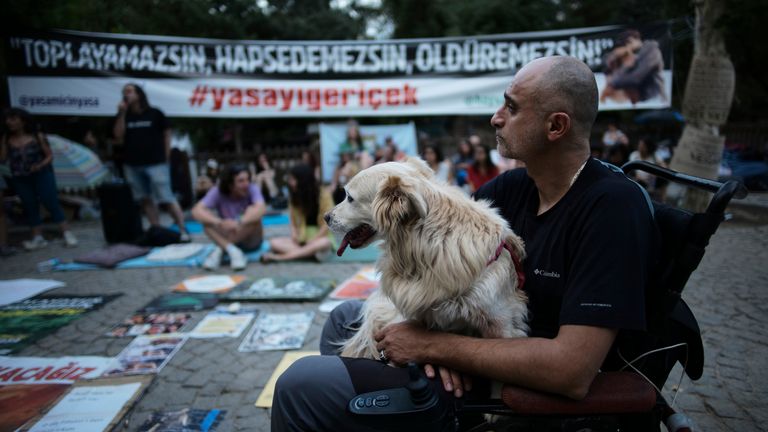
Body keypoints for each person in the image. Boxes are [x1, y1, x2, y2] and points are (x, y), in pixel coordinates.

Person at [271, 56, 658, 432]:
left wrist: (433, 346)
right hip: (470, 354)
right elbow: (431, 241)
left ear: (555, 126)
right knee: (343, 318)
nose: (496, 117)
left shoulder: (611, 210)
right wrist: (437, 339)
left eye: (511, 106)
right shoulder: (514, 188)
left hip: (512, 390)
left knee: (299, 384)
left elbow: (570, 371)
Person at [113, 83, 190, 242]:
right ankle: (156, 230)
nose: (126, 94)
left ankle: (183, 229)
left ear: (139, 94)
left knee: (167, 197)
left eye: (129, 91)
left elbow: (167, 134)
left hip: (156, 163)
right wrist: (121, 113)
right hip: (132, 164)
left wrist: (166, 157)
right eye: (124, 92)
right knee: (145, 199)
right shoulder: (125, 115)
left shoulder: (155, 113)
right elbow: (118, 136)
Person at [0, 108, 77, 250]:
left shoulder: (37, 136)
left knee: (50, 200)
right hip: (20, 176)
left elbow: (49, 156)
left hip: (41, 173)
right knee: (29, 204)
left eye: (13, 119)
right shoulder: (7, 138)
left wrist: (39, 165)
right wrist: (4, 142)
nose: (9, 122)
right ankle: (37, 237)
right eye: (7, 119)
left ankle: (67, 232)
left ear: (22, 120)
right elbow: (3, 159)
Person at [191, 163, 266, 270]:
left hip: (250, 241)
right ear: (230, 184)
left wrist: (240, 222)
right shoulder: (217, 191)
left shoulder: (252, 188)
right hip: (227, 232)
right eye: (241, 181)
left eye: (248, 179)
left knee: (253, 214)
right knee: (206, 219)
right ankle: (233, 250)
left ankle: (221, 248)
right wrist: (218, 222)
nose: (246, 184)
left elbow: (261, 209)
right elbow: (196, 211)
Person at [261, 163, 334, 262]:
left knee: (324, 243)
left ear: (303, 180)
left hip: (320, 238)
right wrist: (294, 233)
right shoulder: (295, 197)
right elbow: (292, 221)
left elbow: (327, 224)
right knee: (274, 242)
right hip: (302, 239)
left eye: (293, 179)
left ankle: (280, 257)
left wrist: (313, 240)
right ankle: (308, 254)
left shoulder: (324, 195)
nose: (290, 182)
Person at [601, 29, 666, 104]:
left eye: (627, 43)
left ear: (632, 40)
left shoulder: (651, 51)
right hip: (642, 100)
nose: (627, 47)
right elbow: (608, 63)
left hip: (654, 99)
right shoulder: (638, 54)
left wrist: (625, 67)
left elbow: (635, 78)